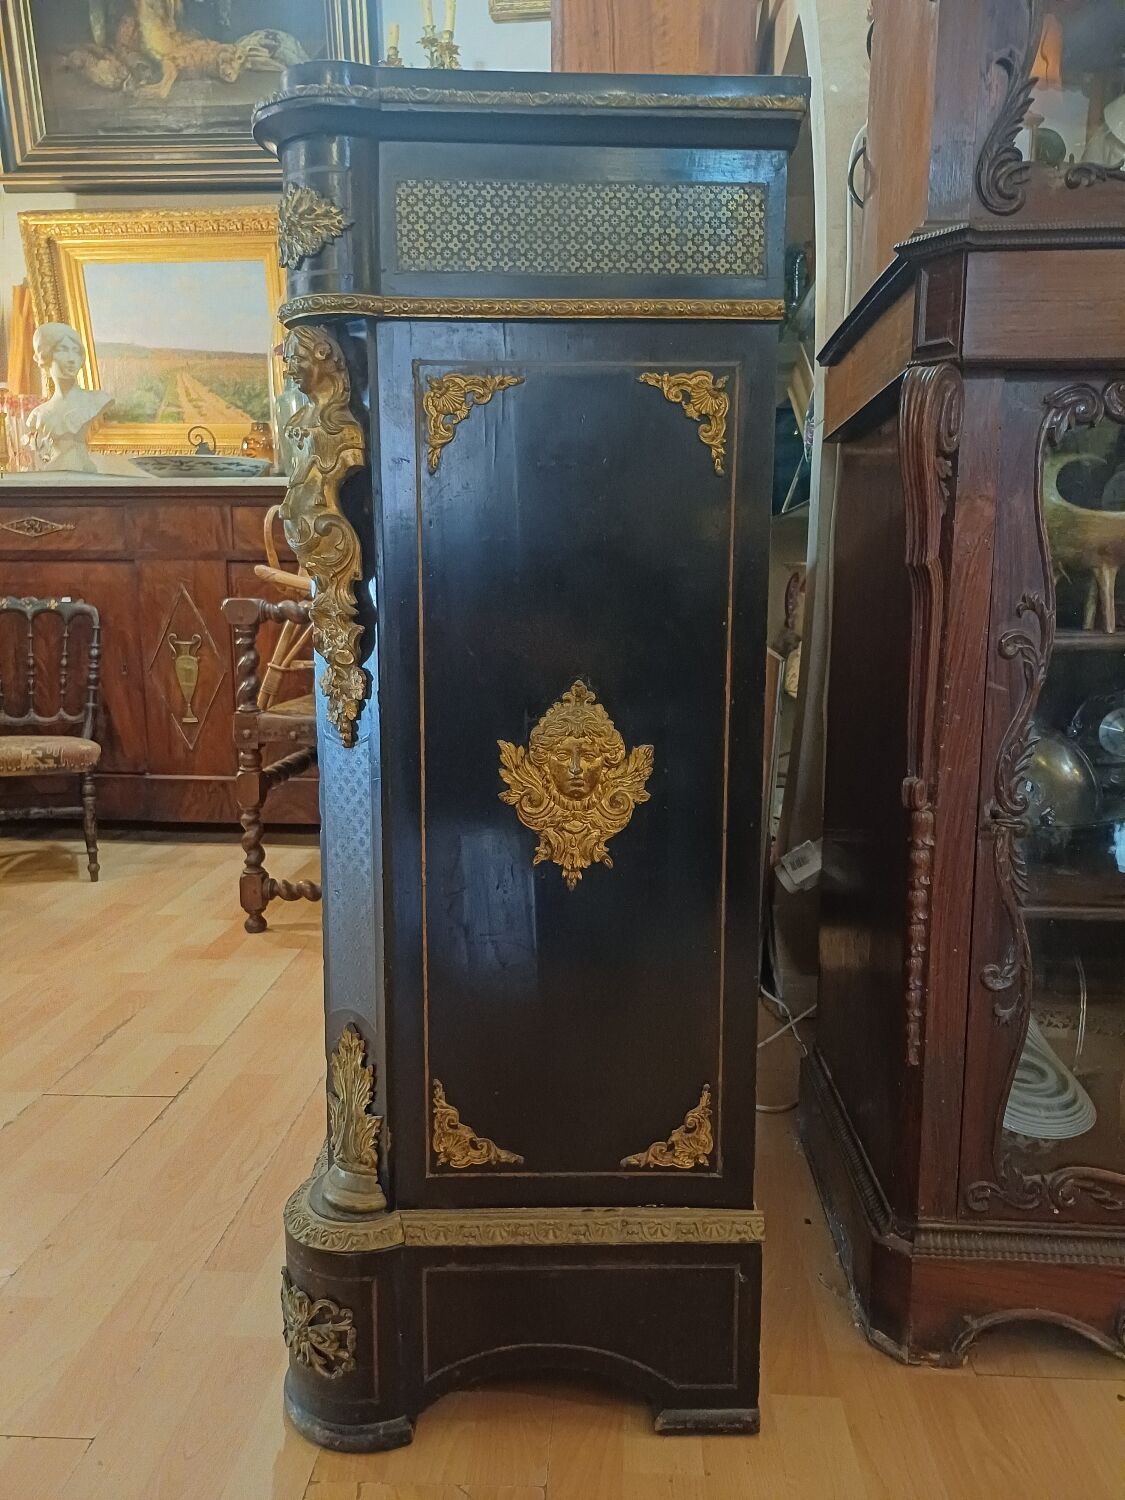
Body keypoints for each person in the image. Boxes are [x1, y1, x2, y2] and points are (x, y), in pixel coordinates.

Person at [26, 323, 112, 474]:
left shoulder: (97, 400)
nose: (72, 359)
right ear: (45, 356)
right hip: (54, 477)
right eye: (63, 350)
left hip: (83, 470)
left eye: (76, 351)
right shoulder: (39, 414)